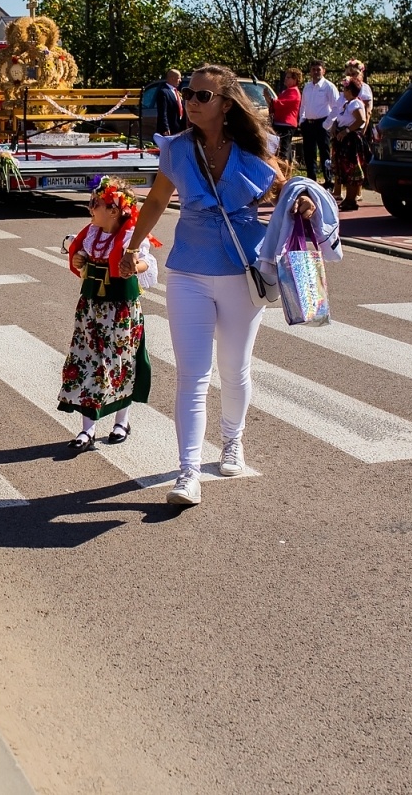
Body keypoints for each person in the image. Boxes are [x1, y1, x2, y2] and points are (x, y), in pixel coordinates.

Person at [122, 64, 315, 507]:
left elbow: (286, 193)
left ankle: (233, 441)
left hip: (240, 271)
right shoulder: (176, 150)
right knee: (192, 376)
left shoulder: (255, 150)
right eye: (188, 92)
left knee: (234, 368)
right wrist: (132, 247)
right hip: (187, 270)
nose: (190, 100)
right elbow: (155, 200)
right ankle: (187, 472)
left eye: (202, 96)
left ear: (226, 105)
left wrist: (303, 202)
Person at [59, 178, 156, 450]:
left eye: (95, 204)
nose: (90, 208)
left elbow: (148, 262)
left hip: (121, 309)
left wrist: (134, 265)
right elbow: (79, 255)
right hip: (91, 308)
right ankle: (87, 430)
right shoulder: (91, 233)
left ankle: (121, 422)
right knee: (87, 361)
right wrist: (79, 259)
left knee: (121, 363)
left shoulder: (131, 236)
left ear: (114, 210)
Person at [328, 76, 369, 210]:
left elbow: (360, 120)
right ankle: (348, 199)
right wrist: (335, 125)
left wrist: (346, 131)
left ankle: (351, 199)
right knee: (344, 169)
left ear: (350, 90)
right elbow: (341, 118)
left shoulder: (356, 103)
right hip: (342, 140)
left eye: (345, 89)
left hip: (350, 141)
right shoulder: (347, 104)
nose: (343, 91)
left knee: (351, 169)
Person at [297, 60, 338, 185]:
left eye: (318, 69)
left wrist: (327, 124)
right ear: (310, 72)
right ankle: (311, 179)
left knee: (324, 153)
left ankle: (328, 180)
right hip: (308, 124)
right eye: (313, 69)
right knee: (309, 153)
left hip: (322, 123)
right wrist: (302, 121)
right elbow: (303, 105)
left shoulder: (328, 87)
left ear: (323, 71)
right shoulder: (307, 87)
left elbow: (336, 107)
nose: (315, 72)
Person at [270, 68, 302, 169]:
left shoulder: (294, 92)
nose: (285, 79)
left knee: (282, 151)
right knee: (279, 150)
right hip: (279, 122)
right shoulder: (286, 91)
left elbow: (282, 104)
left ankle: (283, 174)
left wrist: (271, 100)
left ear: (295, 79)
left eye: (288, 77)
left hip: (286, 124)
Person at [150, 68, 187, 138]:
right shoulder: (164, 92)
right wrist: (165, 128)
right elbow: (162, 112)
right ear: (172, 78)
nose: (180, 81)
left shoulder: (176, 92)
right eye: (179, 78)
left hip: (179, 127)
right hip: (169, 128)